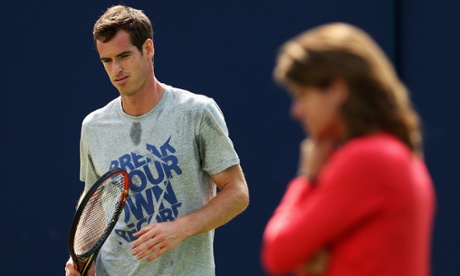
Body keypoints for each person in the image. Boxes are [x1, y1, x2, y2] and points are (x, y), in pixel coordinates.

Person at [64, 5, 249, 276]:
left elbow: (238, 193)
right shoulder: (93, 126)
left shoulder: (196, 112)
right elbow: (94, 200)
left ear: (148, 49)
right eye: (107, 60)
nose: (116, 69)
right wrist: (82, 256)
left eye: (124, 56)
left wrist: (180, 228)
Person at [261, 23, 435, 276]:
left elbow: (278, 253)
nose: (297, 111)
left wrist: (306, 178)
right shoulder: (394, 153)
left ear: (337, 90)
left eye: (302, 95)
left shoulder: (367, 159)